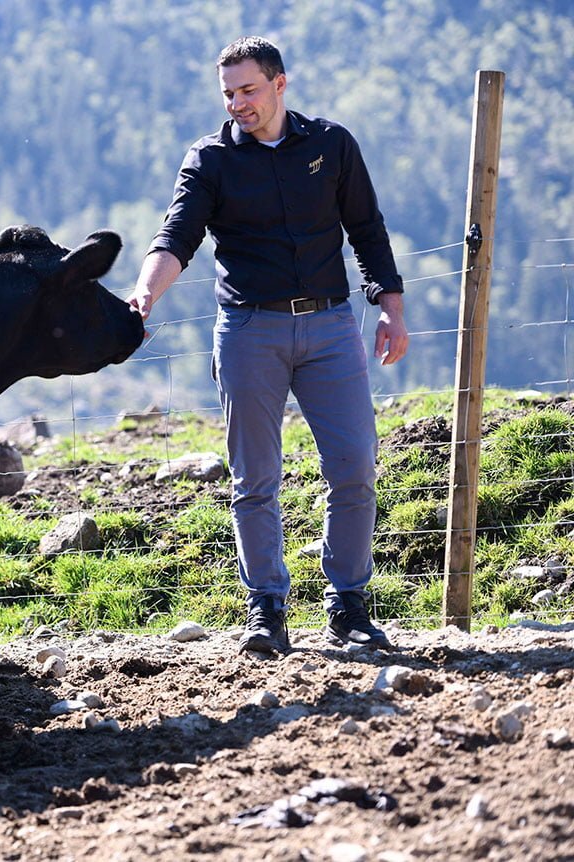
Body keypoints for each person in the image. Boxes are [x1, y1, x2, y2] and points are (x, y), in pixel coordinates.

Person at [129, 36, 408, 656]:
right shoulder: (209, 160)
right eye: (228, 94)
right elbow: (176, 236)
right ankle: (267, 611)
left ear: (281, 83)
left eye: (248, 90)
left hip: (333, 327)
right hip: (250, 331)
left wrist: (391, 309)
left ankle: (349, 606)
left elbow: (366, 228)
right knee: (255, 478)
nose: (238, 104)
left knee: (356, 466)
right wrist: (145, 295)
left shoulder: (332, 145)